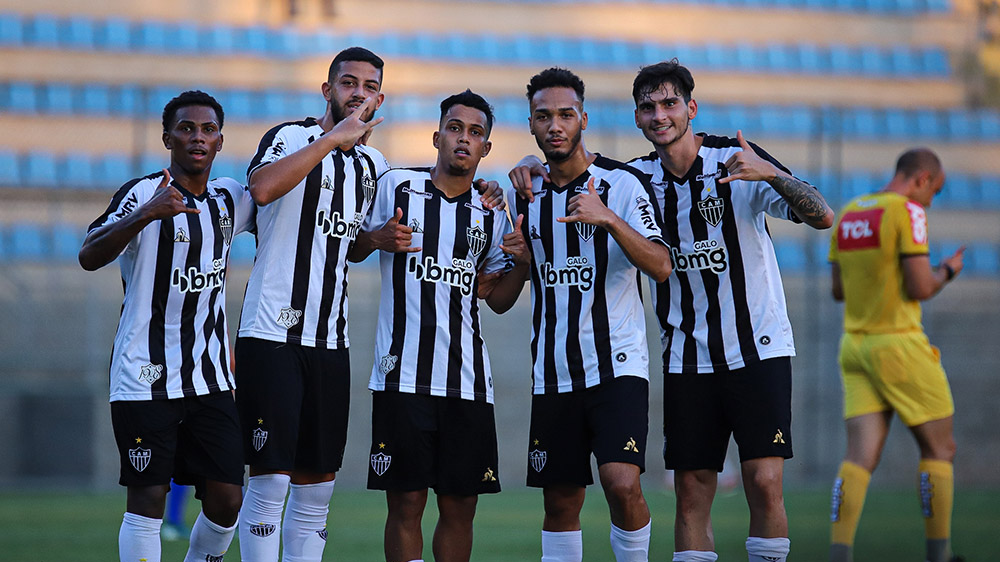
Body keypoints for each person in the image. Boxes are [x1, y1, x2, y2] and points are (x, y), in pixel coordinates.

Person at [510, 59, 834, 562]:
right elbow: (578, 165)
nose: (659, 115)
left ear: (691, 108)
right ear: (637, 118)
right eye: (648, 107)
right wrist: (531, 168)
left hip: (760, 347)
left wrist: (770, 171)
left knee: (765, 481)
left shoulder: (735, 160)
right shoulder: (635, 177)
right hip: (687, 357)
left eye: (669, 104)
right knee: (691, 490)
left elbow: (822, 216)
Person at [349, 89, 529, 562]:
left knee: (459, 506)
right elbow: (347, 247)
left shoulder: (491, 213)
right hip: (401, 376)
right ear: (437, 136)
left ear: (486, 148)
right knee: (406, 502)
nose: (463, 139)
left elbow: (496, 299)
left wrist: (524, 267)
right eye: (455, 128)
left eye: (475, 133)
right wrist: (375, 238)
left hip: (468, 382)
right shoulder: (394, 187)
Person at [79, 90, 254, 562]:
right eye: (186, 128)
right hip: (144, 374)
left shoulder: (231, 199)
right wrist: (144, 216)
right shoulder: (141, 193)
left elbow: (287, 209)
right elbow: (89, 255)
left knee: (227, 499)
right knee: (148, 501)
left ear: (219, 142)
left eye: (208, 130)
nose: (197, 137)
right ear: (167, 138)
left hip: (209, 377)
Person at [510, 67, 672, 562]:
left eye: (564, 114)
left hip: (616, 365)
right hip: (552, 372)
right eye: (544, 117)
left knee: (621, 482)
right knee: (560, 500)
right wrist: (516, 259)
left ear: (584, 118)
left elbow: (662, 265)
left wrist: (608, 218)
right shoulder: (525, 194)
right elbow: (502, 296)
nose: (555, 125)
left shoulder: (622, 183)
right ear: (533, 125)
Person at [234, 46, 388, 562]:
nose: (358, 94)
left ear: (379, 97)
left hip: (330, 339)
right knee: (270, 480)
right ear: (328, 90)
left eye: (368, 87)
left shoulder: (374, 165)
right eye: (348, 83)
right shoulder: (291, 137)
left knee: (317, 486)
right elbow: (261, 188)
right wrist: (332, 139)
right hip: (271, 333)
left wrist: (378, 238)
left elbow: (357, 242)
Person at [827, 148, 965, 562]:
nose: (930, 201)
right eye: (934, 191)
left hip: (855, 346)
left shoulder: (850, 212)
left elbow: (838, 291)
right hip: (899, 345)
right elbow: (921, 287)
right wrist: (947, 271)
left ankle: (839, 553)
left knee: (859, 458)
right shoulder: (908, 212)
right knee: (941, 450)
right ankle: (940, 556)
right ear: (921, 178)